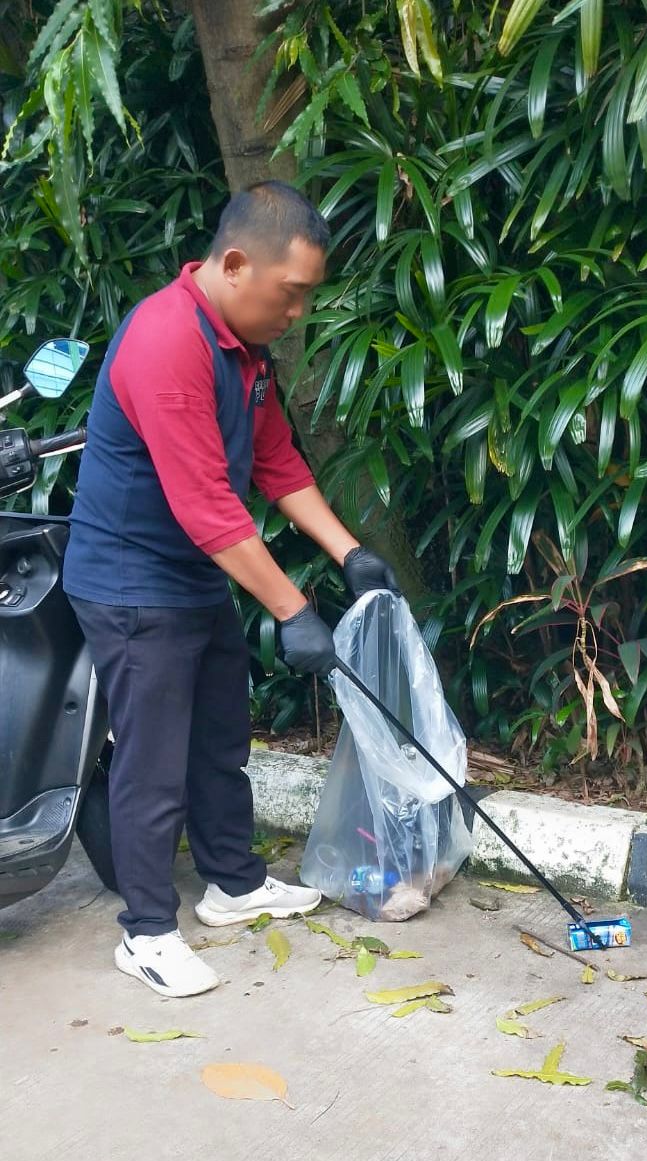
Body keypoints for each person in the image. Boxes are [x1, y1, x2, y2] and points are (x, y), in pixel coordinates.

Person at [63, 182, 400, 998]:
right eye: (292, 293)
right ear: (238, 264)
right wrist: (293, 609)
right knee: (153, 760)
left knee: (218, 738)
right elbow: (206, 503)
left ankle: (233, 883)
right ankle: (147, 931)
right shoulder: (165, 340)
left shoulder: (243, 348)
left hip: (193, 573)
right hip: (131, 581)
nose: (298, 313)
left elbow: (276, 461)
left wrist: (350, 552)